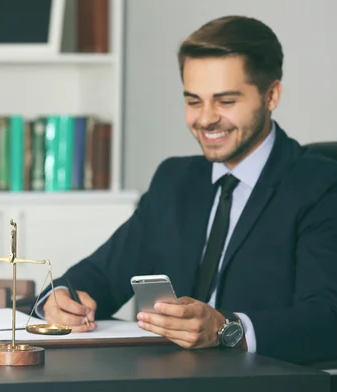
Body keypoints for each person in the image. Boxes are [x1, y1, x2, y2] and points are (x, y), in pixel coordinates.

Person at [35, 15, 337, 365]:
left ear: (271, 95)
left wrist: (227, 329)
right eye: (194, 101)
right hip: (167, 378)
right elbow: (100, 275)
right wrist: (57, 300)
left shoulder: (320, 185)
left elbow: (326, 320)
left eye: (225, 101)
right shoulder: (175, 180)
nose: (206, 119)